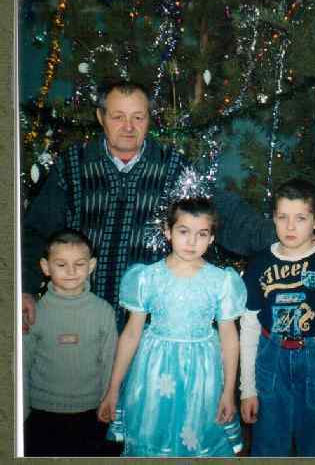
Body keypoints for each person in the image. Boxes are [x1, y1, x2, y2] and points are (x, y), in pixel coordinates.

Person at [22, 81, 276, 329]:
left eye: (138, 117)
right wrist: (25, 289)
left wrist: (282, 234)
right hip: (81, 316)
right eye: (118, 117)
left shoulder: (173, 168)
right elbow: (37, 231)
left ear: (148, 119)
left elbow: (225, 215)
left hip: (151, 326)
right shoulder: (72, 167)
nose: (128, 127)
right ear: (101, 117)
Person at [97, 197, 245, 457]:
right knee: (154, 435)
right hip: (154, 371)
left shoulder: (221, 281)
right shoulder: (146, 278)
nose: (192, 242)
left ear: (211, 238)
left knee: (197, 438)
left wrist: (228, 391)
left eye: (201, 234)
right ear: (168, 231)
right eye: (183, 231)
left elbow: (229, 338)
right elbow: (131, 334)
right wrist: (113, 388)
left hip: (202, 376)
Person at [240, 178, 315, 457]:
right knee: (268, 445)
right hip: (271, 359)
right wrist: (247, 389)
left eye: (300, 218)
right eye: (283, 217)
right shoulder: (258, 265)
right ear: (274, 218)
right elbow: (249, 327)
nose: (290, 227)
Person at [23, 229, 118, 457]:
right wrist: (22, 409)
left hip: (90, 411)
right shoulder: (35, 312)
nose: (71, 272)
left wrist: (107, 400)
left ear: (91, 266)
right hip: (41, 411)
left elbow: (109, 361)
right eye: (61, 265)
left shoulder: (103, 311)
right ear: (46, 267)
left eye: (79, 264)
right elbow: (23, 364)